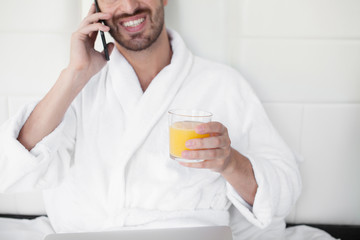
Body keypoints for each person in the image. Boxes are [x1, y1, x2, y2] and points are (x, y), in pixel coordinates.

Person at [0, 0, 321, 239]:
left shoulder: (222, 84)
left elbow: (284, 190)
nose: (128, 6)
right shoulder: (79, 86)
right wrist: (74, 75)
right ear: (96, 9)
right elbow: (11, 170)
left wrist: (230, 162)